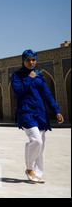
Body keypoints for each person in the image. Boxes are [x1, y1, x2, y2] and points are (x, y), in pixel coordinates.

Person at [11, 49, 64, 183]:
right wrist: (29, 78)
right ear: (23, 61)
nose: (31, 62)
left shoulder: (39, 75)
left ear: (36, 61)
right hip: (26, 112)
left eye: (33, 60)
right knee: (36, 141)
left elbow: (47, 95)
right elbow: (18, 91)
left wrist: (56, 111)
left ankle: (38, 173)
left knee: (41, 144)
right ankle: (30, 169)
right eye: (28, 60)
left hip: (40, 113)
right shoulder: (17, 75)